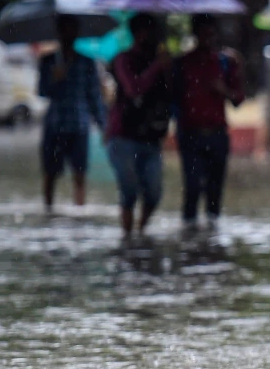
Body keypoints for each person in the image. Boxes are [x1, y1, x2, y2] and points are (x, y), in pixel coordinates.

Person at [174, 14, 245, 231]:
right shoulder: (182, 64)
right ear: (196, 34)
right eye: (203, 32)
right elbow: (172, 96)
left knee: (215, 192)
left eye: (211, 33)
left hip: (217, 134)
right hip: (190, 134)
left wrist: (222, 89)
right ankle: (189, 236)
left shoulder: (225, 62)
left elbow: (238, 99)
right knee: (192, 187)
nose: (208, 37)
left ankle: (211, 240)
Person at [105, 14, 173, 238]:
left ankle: (140, 233)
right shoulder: (124, 59)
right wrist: (156, 67)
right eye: (147, 31)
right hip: (123, 136)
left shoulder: (162, 62)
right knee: (129, 190)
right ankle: (127, 238)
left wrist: (166, 69)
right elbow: (134, 89)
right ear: (137, 33)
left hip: (151, 137)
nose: (152, 36)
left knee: (153, 192)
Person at [37, 14, 106, 213]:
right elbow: (42, 91)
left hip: (79, 125)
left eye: (72, 29)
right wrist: (54, 79)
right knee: (50, 174)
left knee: (80, 174)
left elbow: (94, 97)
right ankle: (48, 212)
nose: (68, 34)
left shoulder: (86, 62)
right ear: (58, 33)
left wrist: (104, 127)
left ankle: (79, 213)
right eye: (64, 29)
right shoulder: (48, 61)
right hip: (55, 125)